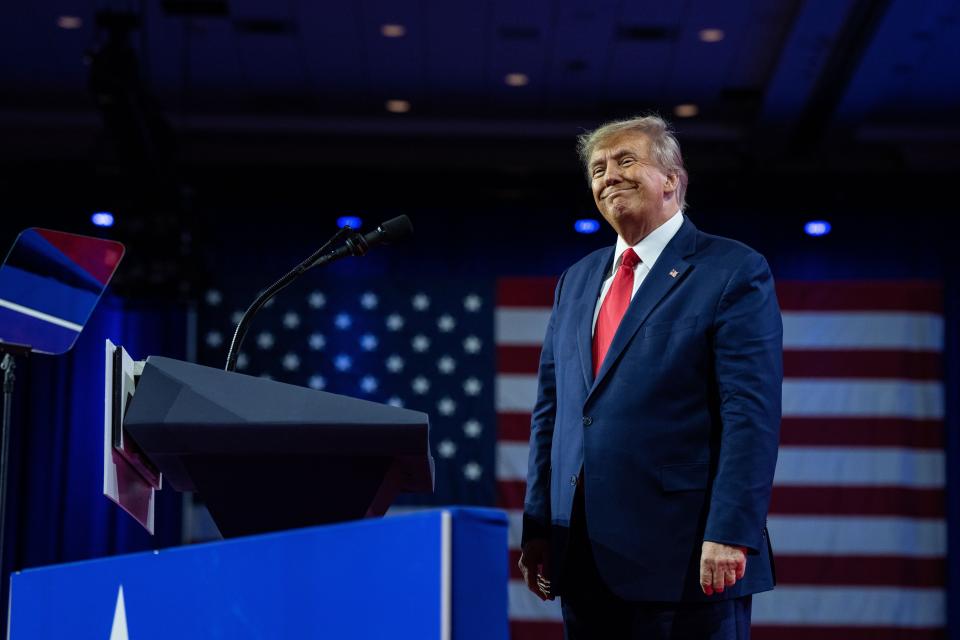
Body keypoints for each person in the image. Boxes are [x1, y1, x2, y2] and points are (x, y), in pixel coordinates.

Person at [518, 115, 782, 639]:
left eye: (626, 161)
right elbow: (553, 411)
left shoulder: (731, 269)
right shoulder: (576, 280)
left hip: (686, 558)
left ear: (673, 180)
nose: (608, 176)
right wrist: (539, 526)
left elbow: (749, 413)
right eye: (597, 169)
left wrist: (731, 530)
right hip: (584, 557)